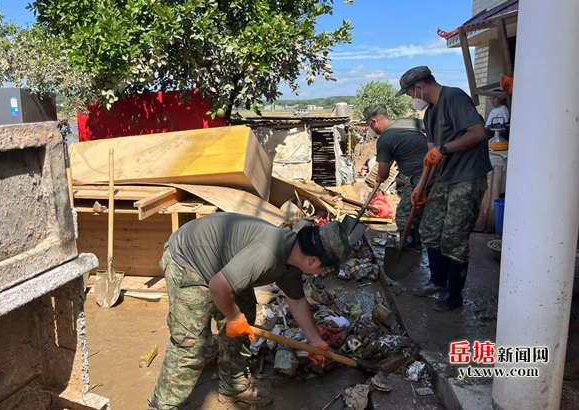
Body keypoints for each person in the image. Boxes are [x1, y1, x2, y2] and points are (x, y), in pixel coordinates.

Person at [148, 213, 352, 409]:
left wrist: (315, 342)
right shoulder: (268, 252)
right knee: (190, 343)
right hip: (189, 259)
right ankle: (162, 405)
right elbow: (219, 286)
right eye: (324, 270)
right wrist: (233, 317)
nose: (323, 274)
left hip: (225, 265)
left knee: (245, 317)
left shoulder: (293, 256)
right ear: (314, 261)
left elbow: (296, 300)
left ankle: (233, 386)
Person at [395, 66, 491, 312]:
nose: (410, 99)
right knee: (429, 230)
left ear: (419, 87)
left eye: (408, 93)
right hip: (443, 179)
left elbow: (478, 133)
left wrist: (445, 149)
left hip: (467, 177)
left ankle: (454, 295)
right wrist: (421, 187)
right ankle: (438, 282)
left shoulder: (454, 98)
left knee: (453, 238)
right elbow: (431, 155)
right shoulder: (429, 114)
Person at [362, 104, 428, 249]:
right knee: (420, 212)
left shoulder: (384, 139)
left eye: (368, 125)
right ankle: (416, 244)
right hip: (435, 171)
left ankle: (409, 247)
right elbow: (432, 127)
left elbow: (384, 174)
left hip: (418, 179)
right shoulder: (409, 121)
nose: (370, 130)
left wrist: (379, 177)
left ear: (374, 122)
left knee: (404, 216)